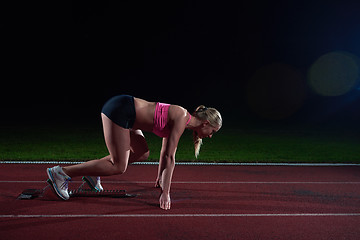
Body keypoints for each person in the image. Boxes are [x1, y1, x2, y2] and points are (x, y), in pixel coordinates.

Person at [47, 95, 222, 210]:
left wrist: (160, 179)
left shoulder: (182, 120)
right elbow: (170, 156)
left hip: (126, 113)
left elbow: (164, 153)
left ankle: (92, 176)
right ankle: (61, 173)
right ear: (205, 123)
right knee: (119, 166)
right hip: (121, 110)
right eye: (213, 132)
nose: (211, 136)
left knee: (142, 152)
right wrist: (166, 193)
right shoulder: (182, 117)